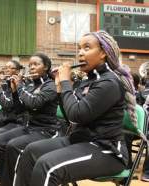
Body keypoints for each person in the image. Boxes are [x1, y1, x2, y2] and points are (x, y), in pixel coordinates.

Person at [14, 30, 135, 186]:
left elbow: (77, 115)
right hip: (81, 140)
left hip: (107, 150)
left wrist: (65, 82)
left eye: (87, 48)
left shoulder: (109, 82)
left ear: (103, 52)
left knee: (47, 166)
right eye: (79, 48)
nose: (80, 54)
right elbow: (69, 117)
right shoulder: (88, 80)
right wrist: (60, 88)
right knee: (29, 151)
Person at [0, 53, 59, 186]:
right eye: (30, 65)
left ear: (46, 67)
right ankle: (4, 180)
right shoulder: (30, 85)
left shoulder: (50, 86)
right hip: (29, 127)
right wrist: (15, 91)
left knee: (13, 146)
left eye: (36, 64)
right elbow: (19, 109)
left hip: (46, 130)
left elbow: (34, 103)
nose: (32, 67)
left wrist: (19, 86)